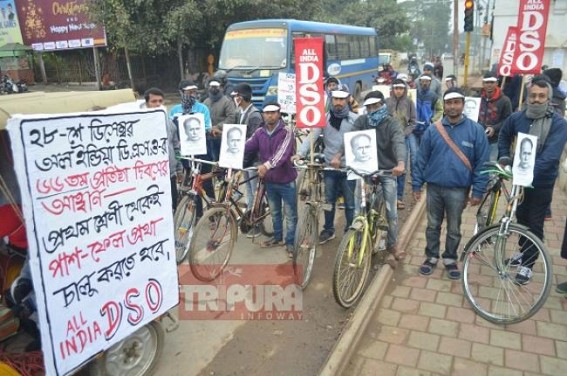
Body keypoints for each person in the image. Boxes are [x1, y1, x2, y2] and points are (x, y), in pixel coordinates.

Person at [413, 87, 489, 280]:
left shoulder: (476, 131)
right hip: (434, 188)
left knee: (454, 227)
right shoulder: (433, 130)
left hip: (458, 189)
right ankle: (431, 257)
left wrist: (478, 191)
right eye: (449, 103)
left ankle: (450, 258)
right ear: (444, 105)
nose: (453, 106)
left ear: (463, 104)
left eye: (456, 102)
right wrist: (416, 185)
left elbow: (482, 164)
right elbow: (421, 159)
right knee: (432, 225)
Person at [498, 78, 567, 284]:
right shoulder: (517, 118)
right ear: (528, 97)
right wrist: (503, 157)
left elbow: (551, 157)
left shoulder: (559, 124)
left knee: (535, 223)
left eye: (541, 96)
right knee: (521, 217)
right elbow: (503, 135)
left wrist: (527, 175)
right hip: (519, 181)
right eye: (533, 96)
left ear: (548, 98)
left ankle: (528, 264)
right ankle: (523, 250)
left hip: (541, 183)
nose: (536, 100)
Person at [294, 89, 358, 244]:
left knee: (350, 204)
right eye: (335, 99)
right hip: (329, 168)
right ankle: (328, 230)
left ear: (348, 100)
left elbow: (358, 142)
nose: (338, 103)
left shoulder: (355, 120)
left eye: (342, 100)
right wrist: (300, 153)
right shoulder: (324, 118)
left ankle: (350, 231)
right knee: (328, 201)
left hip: (348, 169)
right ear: (331, 100)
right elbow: (313, 135)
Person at [351, 90, 406, 259]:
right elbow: (350, 138)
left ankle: (392, 244)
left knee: (391, 212)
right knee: (359, 209)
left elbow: (398, 141)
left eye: (376, 105)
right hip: (365, 171)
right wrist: (339, 155)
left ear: (383, 105)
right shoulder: (362, 121)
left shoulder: (392, 123)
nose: (372, 110)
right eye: (369, 107)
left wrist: (401, 162)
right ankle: (357, 242)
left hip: (388, 170)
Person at [244, 103, 297, 257]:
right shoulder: (259, 132)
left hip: (286, 180)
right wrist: (230, 151)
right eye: (266, 113)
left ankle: (290, 243)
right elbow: (248, 145)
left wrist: (266, 165)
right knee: (274, 212)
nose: (269, 116)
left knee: (291, 215)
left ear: (279, 114)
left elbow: (282, 154)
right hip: (270, 181)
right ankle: (278, 238)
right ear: (263, 115)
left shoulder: (287, 132)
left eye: (273, 113)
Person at [170, 79, 215, 218]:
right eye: (189, 92)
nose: (193, 95)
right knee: (193, 183)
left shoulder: (202, 108)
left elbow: (208, 127)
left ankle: (213, 214)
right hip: (185, 153)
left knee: (206, 182)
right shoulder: (174, 111)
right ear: (181, 93)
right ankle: (198, 215)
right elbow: (171, 131)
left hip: (202, 152)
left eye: (194, 92)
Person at [141, 87, 181, 210]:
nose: (158, 104)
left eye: (160, 101)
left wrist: (179, 168)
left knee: (172, 204)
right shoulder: (140, 123)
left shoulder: (169, 123)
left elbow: (176, 146)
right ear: (146, 103)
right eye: (154, 101)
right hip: (149, 175)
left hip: (169, 173)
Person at [230, 83, 263, 218]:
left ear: (242, 97)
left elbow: (253, 141)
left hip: (254, 159)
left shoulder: (254, 115)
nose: (234, 99)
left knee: (254, 192)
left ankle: (255, 218)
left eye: (236, 96)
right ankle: (250, 215)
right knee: (249, 190)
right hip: (245, 158)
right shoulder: (240, 112)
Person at [386, 78, 417, 210]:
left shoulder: (409, 103)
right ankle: (388, 196)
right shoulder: (387, 102)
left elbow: (413, 122)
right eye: (396, 88)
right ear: (393, 89)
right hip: (388, 140)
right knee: (388, 168)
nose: (398, 91)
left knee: (401, 169)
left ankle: (399, 197)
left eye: (401, 88)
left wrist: (404, 133)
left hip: (403, 139)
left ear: (404, 90)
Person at [477, 72, 512, 161]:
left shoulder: (505, 100)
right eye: (487, 82)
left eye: (492, 82)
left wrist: (494, 128)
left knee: (490, 165)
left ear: (496, 83)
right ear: (483, 84)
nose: (489, 85)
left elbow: (508, 120)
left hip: (495, 140)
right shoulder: (477, 98)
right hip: (477, 138)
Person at [204, 78, 236, 161]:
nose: (214, 89)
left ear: (221, 88)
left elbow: (231, 118)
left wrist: (217, 127)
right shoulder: (206, 102)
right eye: (212, 87)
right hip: (208, 136)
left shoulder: (227, 101)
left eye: (216, 87)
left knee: (222, 160)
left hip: (221, 136)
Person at [415, 74, 443, 144]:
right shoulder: (414, 94)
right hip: (413, 127)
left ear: (430, 82)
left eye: (427, 81)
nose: (425, 83)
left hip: (426, 128)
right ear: (420, 82)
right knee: (414, 152)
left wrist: (432, 120)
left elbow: (440, 110)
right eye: (423, 81)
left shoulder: (433, 96)